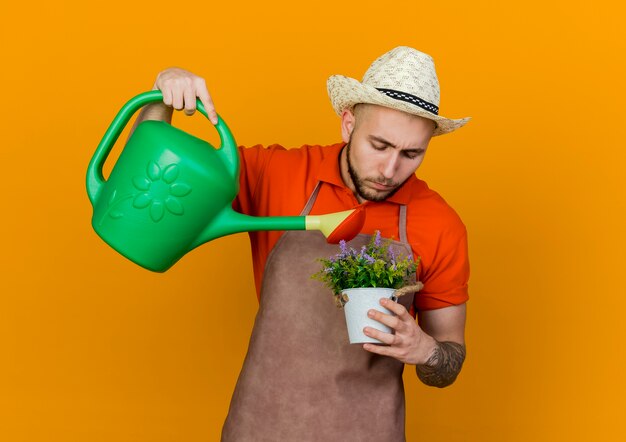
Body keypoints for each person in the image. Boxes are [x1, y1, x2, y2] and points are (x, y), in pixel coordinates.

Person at [132, 46, 471, 441]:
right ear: (348, 124)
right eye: (379, 145)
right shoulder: (277, 173)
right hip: (261, 425)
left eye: (412, 154)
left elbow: (449, 359)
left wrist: (426, 350)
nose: (390, 170)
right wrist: (162, 96)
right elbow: (148, 176)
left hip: (368, 430)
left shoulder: (441, 225)